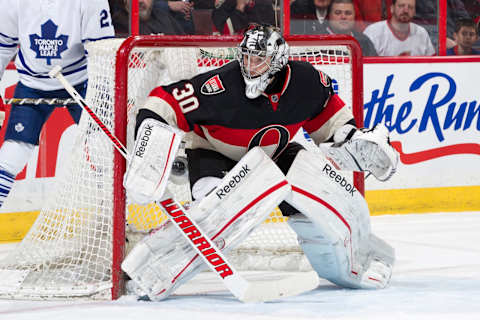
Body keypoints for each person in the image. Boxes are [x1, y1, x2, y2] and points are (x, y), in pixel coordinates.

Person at [120, 24, 398, 301]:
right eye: (246, 57)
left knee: (328, 194)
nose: (250, 66)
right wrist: (150, 143)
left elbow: (331, 122)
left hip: (275, 154)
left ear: (277, 60)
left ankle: (357, 264)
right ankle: (146, 272)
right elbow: (165, 101)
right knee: (217, 214)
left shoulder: (307, 83)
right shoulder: (220, 86)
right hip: (214, 154)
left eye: (258, 59)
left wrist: (353, 139)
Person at [0, 0, 115, 209]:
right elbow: (2, 46)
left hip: (83, 81)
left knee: (103, 151)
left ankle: (113, 218)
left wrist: (103, 94)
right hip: (32, 84)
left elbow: (102, 54)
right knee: (13, 154)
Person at [363, 0, 435, 56]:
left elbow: (432, 64)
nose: (405, 10)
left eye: (410, 7)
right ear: (392, 8)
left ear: (414, 12)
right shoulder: (373, 32)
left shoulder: (422, 33)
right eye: (401, 6)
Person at [112, 0, 186, 36]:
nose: (140, 1)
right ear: (125, 1)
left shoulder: (163, 16)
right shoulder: (118, 23)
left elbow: (186, 43)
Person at [212, 0, 276, 35]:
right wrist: (240, 8)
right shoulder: (224, 5)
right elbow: (224, 33)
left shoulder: (264, 4)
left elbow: (268, 33)